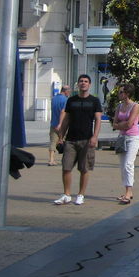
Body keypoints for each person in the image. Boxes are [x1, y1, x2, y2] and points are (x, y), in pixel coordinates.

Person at [54, 74, 102, 206]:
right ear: (78, 84)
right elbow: (67, 119)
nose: (83, 83)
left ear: (89, 84)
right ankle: (66, 194)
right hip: (71, 139)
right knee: (66, 167)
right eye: (81, 81)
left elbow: (98, 119)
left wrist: (95, 136)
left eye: (86, 81)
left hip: (87, 139)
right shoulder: (71, 100)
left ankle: (81, 194)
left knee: (84, 168)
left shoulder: (94, 101)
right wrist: (60, 137)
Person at [112, 83, 139, 204]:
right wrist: (120, 125)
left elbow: (130, 124)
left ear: (127, 93)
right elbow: (114, 124)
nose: (119, 94)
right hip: (122, 138)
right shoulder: (119, 106)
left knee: (129, 164)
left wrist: (120, 124)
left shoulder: (135, 106)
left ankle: (129, 191)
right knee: (123, 165)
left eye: (121, 92)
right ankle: (127, 190)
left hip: (133, 138)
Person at [48, 85, 70, 166]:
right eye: (69, 91)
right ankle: (65, 160)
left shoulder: (54, 98)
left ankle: (51, 160)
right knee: (65, 142)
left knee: (53, 142)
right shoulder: (66, 100)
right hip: (63, 125)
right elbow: (63, 112)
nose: (69, 93)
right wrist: (60, 124)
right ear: (66, 91)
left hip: (53, 124)